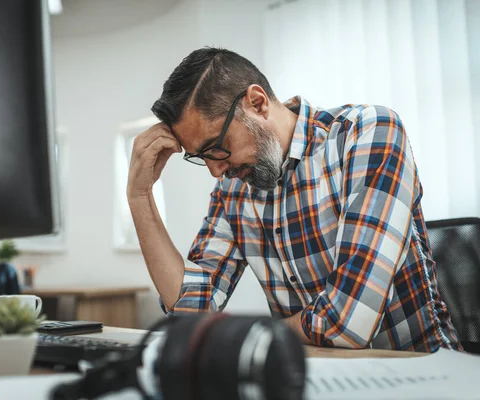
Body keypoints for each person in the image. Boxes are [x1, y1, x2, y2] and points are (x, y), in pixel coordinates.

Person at [127, 47, 461, 352]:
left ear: (257, 103)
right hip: (317, 377)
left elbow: (347, 323)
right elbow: (191, 312)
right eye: (202, 156)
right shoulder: (233, 189)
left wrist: (257, 333)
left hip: (420, 370)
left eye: (217, 146)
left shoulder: (367, 135)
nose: (216, 170)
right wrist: (139, 197)